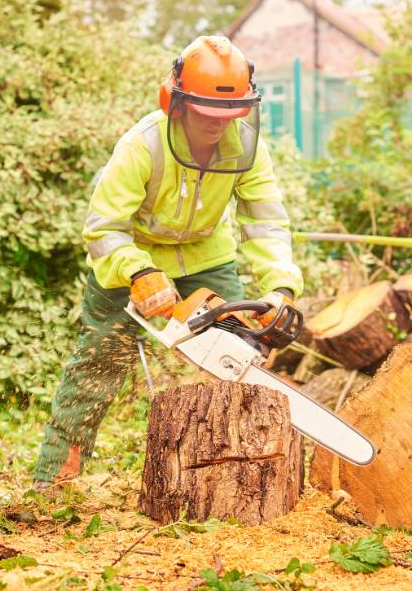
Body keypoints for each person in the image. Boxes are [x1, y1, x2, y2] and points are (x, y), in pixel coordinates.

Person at [33, 35, 304, 489]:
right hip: (131, 258)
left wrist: (279, 288)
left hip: (207, 256)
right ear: (176, 102)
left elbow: (265, 223)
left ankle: (238, 478)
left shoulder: (248, 148)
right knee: (97, 364)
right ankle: (54, 478)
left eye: (229, 115)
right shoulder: (142, 145)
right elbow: (103, 227)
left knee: (240, 358)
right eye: (206, 115)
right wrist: (137, 271)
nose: (218, 125)